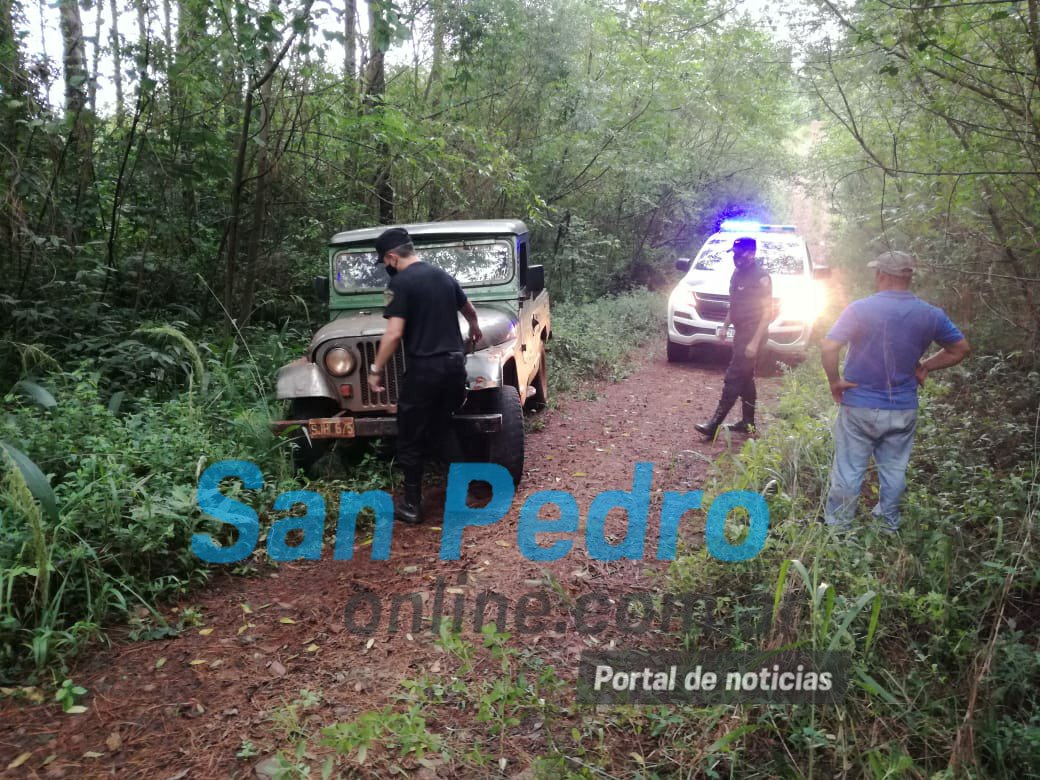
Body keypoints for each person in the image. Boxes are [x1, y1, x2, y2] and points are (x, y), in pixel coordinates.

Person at [821, 250, 970, 530]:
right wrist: (926, 366)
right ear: (908, 277)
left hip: (860, 406)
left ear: (881, 275)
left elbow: (829, 346)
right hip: (903, 407)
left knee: (849, 470)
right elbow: (960, 349)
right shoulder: (930, 314)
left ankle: (839, 531)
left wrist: (834, 381)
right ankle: (887, 526)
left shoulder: (859, 309)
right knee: (894, 470)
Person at [367, 227, 483, 524]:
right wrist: (475, 329)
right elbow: (469, 309)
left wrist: (376, 369)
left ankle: (411, 505)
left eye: (385, 262)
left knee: (410, 434)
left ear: (392, 257)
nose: (387, 268)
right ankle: (465, 494)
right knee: (444, 428)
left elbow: (393, 334)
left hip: (425, 370)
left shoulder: (402, 284)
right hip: (454, 366)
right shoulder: (443, 276)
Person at [695, 236, 772, 438]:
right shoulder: (737, 273)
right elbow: (734, 303)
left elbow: (767, 313)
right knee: (746, 378)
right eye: (734, 254)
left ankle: (713, 425)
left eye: (739, 254)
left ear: (751, 253)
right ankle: (748, 423)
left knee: (734, 376)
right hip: (741, 332)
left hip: (754, 333)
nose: (736, 257)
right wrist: (724, 326)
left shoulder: (761, 277)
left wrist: (755, 342)